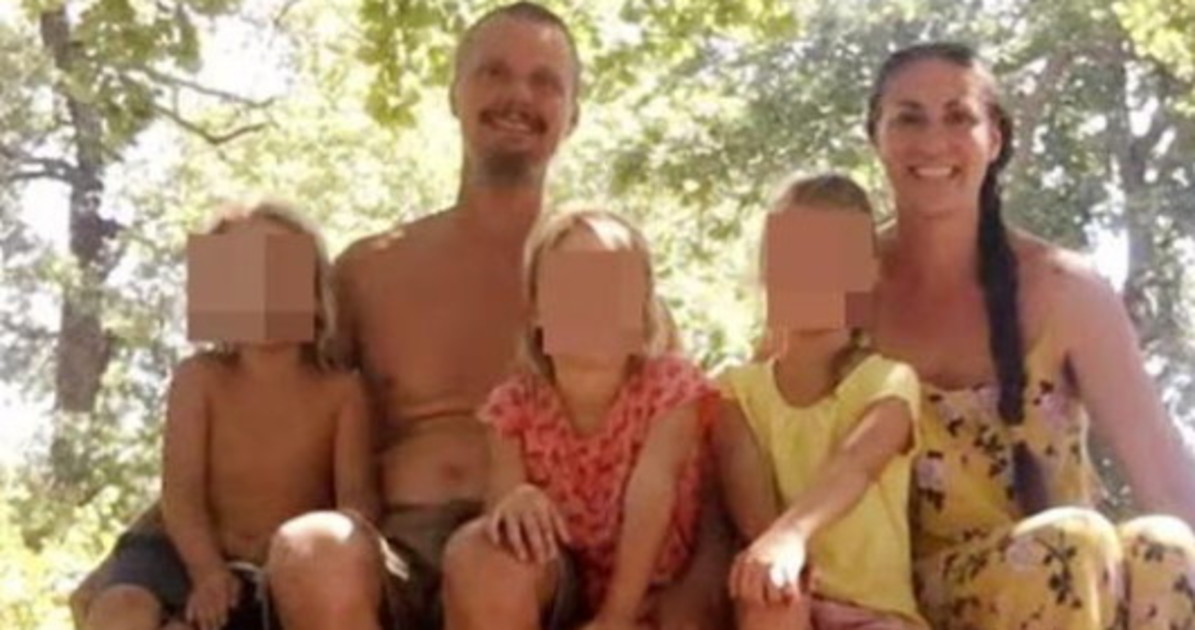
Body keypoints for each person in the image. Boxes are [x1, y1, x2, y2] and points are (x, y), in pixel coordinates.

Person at [263, 5, 728, 630]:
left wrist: (698, 587)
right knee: (311, 549)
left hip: (532, 551)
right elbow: (272, 411)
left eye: (545, 82)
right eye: (494, 73)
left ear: (572, 114)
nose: (519, 95)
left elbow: (689, 456)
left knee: (492, 560)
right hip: (389, 543)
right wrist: (158, 553)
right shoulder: (370, 268)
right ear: (454, 93)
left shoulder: (609, 279)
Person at [866, 42, 1195, 628]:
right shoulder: (831, 275)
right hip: (897, 603)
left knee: (1163, 546)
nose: (934, 141)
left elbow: (1167, 483)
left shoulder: (1066, 287)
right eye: (909, 118)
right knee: (1069, 543)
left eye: (959, 117)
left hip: (1074, 586)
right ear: (876, 136)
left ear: (994, 139)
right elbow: (759, 432)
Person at [81, 202, 377, 630]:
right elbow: (181, 494)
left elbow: (356, 503)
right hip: (178, 551)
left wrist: (319, 568)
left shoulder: (341, 393)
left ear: (315, 295)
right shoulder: (199, 378)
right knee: (121, 610)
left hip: (278, 570)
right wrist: (207, 571)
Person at [441, 209, 719, 630]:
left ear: (641, 311)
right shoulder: (514, 405)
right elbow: (500, 504)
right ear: (537, 312)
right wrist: (516, 499)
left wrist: (615, 617)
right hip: (561, 583)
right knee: (477, 551)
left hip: (653, 588)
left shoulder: (670, 388)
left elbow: (652, 496)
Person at [717, 174, 927, 630]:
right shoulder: (735, 390)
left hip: (874, 615)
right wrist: (779, 563)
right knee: (770, 604)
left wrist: (791, 535)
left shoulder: (888, 380)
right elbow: (746, 493)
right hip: (781, 596)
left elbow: (855, 465)